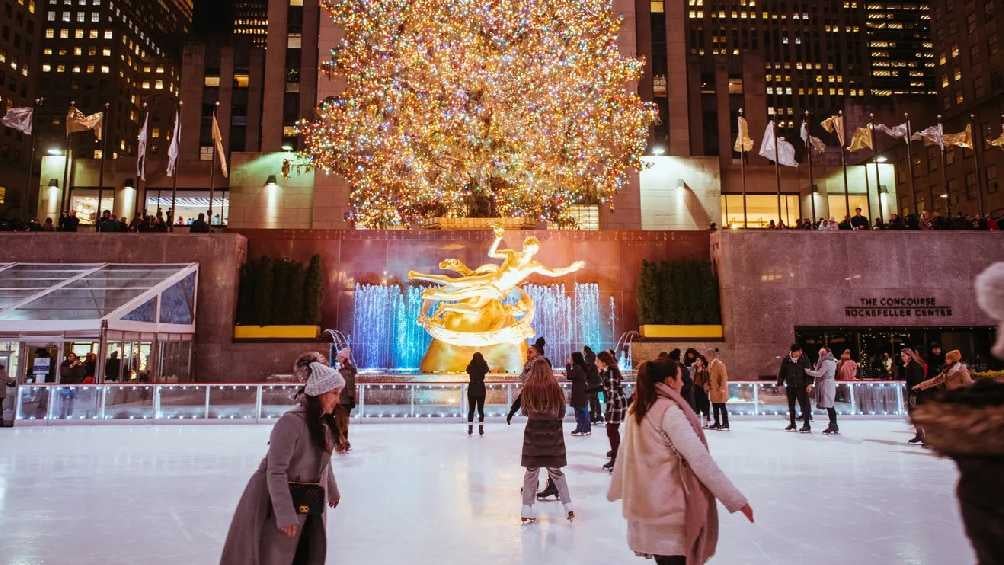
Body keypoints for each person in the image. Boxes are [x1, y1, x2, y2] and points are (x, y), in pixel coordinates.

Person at [608, 360, 754, 565]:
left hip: (647, 511)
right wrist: (736, 499)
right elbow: (700, 459)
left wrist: (618, 491)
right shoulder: (668, 412)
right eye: (680, 378)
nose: (683, 383)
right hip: (670, 515)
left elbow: (625, 456)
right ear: (669, 381)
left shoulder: (636, 409)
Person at [220, 352, 342, 565]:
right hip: (275, 499)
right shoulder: (290, 423)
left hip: (307, 499)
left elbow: (324, 459)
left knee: (307, 552)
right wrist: (284, 513)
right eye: (334, 393)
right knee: (275, 554)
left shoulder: (323, 424)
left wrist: (332, 488)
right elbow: (275, 471)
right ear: (320, 393)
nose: (338, 399)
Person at [519, 356, 574, 524]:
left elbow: (524, 411)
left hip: (534, 436)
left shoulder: (528, 388)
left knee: (531, 472)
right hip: (552, 436)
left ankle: (526, 508)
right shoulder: (555, 388)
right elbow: (562, 411)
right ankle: (568, 506)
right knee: (557, 472)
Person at [596, 350, 626, 472]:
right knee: (611, 431)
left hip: (616, 404)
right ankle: (616, 457)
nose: (596, 363)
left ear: (603, 362)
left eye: (597, 361)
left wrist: (608, 410)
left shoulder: (611, 371)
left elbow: (612, 392)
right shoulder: (606, 371)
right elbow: (605, 389)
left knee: (612, 431)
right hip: (614, 404)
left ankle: (617, 459)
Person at [776, 344, 813, 433]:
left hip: (802, 386)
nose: (800, 353)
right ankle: (792, 424)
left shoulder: (804, 359)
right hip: (790, 386)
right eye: (798, 352)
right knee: (791, 406)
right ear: (793, 352)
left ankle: (806, 425)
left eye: (800, 351)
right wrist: (780, 384)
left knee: (804, 406)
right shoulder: (786, 360)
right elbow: (782, 372)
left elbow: (809, 373)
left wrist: (809, 384)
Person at [806, 347, 839, 435]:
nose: (820, 355)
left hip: (826, 385)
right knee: (830, 406)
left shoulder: (826, 362)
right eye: (820, 353)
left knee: (830, 406)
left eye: (822, 353)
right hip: (828, 384)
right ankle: (833, 425)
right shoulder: (832, 361)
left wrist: (808, 372)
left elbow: (820, 373)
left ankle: (833, 425)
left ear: (827, 353)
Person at [901, 348, 927, 444]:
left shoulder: (914, 366)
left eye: (904, 356)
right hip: (913, 393)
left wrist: (914, 394)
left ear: (909, 355)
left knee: (917, 415)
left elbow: (917, 382)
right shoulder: (910, 365)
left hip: (916, 394)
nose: (902, 358)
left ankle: (925, 436)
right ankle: (919, 434)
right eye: (901, 356)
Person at [333, 348, 357, 453]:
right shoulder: (347, 370)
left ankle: (342, 444)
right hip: (344, 400)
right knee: (342, 423)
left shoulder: (346, 371)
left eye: (340, 358)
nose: (338, 360)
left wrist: (351, 398)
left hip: (343, 401)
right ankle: (344, 443)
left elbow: (350, 386)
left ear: (344, 359)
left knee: (340, 423)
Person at [567, 351, 591, 437]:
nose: (570, 359)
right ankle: (585, 429)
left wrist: (568, 365)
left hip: (579, 392)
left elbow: (569, 376)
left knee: (580, 411)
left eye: (571, 358)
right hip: (582, 391)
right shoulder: (581, 367)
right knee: (583, 411)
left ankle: (582, 429)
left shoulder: (577, 367)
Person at [466, 351, 489, 437]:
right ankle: (481, 429)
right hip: (481, 389)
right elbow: (487, 369)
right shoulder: (484, 366)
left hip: (472, 389)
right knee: (481, 410)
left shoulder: (470, 366)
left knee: (471, 410)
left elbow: (467, 370)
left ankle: (470, 429)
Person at [707, 348, 730, 431]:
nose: (706, 356)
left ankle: (725, 424)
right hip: (713, 390)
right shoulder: (710, 364)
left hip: (719, 390)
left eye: (707, 354)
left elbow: (724, 377)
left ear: (711, 355)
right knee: (715, 407)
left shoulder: (719, 364)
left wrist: (722, 388)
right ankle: (717, 423)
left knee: (722, 406)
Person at [583, 345, 603, 424]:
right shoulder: (592, 357)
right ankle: (598, 415)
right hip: (596, 381)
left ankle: (593, 416)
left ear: (585, 351)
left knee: (592, 399)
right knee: (596, 399)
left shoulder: (588, 359)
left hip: (592, 382)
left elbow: (587, 371)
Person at [691, 355, 712, 428]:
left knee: (704, 408)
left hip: (702, 391)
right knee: (697, 408)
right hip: (695, 390)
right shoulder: (694, 370)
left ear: (702, 362)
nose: (697, 362)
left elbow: (707, 381)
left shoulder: (705, 371)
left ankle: (705, 424)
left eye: (698, 360)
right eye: (696, 360)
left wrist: (706, 390)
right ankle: (698, 424)